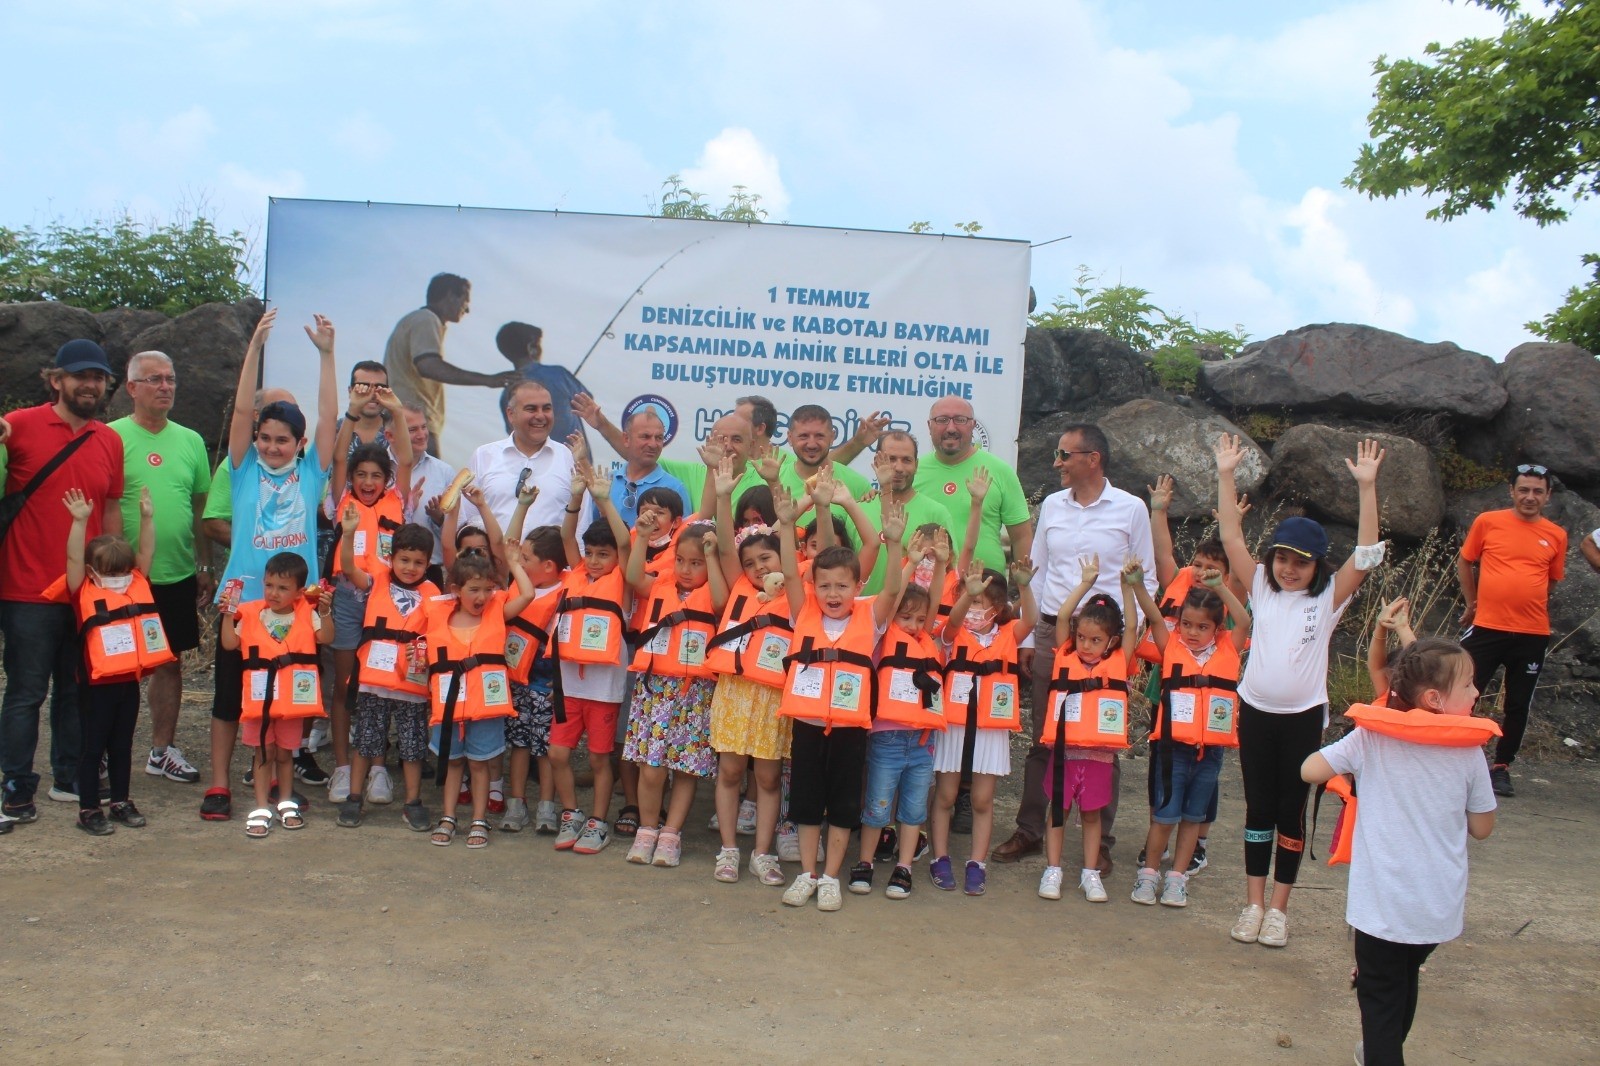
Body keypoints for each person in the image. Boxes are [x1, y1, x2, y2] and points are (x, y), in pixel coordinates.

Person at [1216, 433, 1385, 949]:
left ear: (1317, 566)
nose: (1290, 568)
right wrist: (1225, 475)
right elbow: (1230, 540)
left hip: (1304, 718)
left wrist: (1366, 487)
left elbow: (1367, 553)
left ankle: (1279, 910)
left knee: (1291, 811)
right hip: (1257, 713)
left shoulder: (1330, 596)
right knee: (1258, 809)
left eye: (1302, 561)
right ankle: (1252, 904)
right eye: (1283, 558)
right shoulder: (1263, 585)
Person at [1302, 639, 1497, 1066]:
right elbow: (1482, 827)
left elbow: (1311, 769)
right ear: (1435, 699)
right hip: (1435, 907)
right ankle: (1379, 1051)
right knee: (1404, 979)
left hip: (1382, 904)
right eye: (1470, 685)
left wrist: (1353, 769)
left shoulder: (1371, 739)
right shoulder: (1469, 752)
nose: (1477, 694)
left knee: (1381, 997)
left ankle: (1381, 1054)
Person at [993, 423, 1153, 871]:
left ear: (1093, 458)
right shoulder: (1052, 506)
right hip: (1053, 634)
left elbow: (1147, 576)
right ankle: (1030, 829)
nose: (1057, 463)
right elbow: (1039, 571)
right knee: (1046, 735)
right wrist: (1027, 638)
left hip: (1108, 641)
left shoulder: (1130, 508)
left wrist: (1130, 642)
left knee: (1102, 738)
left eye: (1064, 455)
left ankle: (1098, 842)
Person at [200, 309, 338, 823]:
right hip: (244, 602)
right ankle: (219, 784)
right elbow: (240, 414)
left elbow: (328, 418)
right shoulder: (240, 471)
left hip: (297, 605)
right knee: (228, 696)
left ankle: (281, 786)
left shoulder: (311, 475)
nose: (272, 446)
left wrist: (327, 355)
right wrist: (254, 350)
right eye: (266, 438)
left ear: (298, 444)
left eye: (283, 440)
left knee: (288, 694)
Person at [1, 338, 125, 825]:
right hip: (25, 587)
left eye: (97, 377)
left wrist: (117, 571)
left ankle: (69, 774)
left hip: (86, 590)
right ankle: (15, 782)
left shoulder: (109, 439)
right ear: (56, 380)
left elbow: (111, 505)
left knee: (78, 688)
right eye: (80, 376)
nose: (90, 385)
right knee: (26, 691)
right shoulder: (20, 427)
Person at [776, 489, 903, 912]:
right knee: (808, 804)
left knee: (845, 805)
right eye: (825, 585)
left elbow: (893, 584)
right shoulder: (803, 610)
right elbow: (792, 574)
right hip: (808, 728)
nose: (833, 593)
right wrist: (787, 520)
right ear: (814, 586)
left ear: (857, 586)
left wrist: (895, 542)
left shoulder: (870, 616)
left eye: (842, 586)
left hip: (850, 730)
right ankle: (808, 873)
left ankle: (831, 876)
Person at [111, 350, 214, 786]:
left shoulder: (190, 441)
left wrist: (205, 563)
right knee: (115, 666)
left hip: (175, 572)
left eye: (170, 379)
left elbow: (200, 508)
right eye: (154, 379)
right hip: (119, 576)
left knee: (169, 663)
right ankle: (103, 750)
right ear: (132, 387)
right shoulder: (110, 437)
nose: (165, 387)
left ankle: (162, 750)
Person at [1125, 561, 1252, 908]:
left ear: (1216, 628)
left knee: (1194, 817)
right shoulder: (1172, 647)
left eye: (1202, 627)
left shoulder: (1229, 647)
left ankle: (1177, 879)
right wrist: (1138, 586)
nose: (1193, 632)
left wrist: (1221, 587)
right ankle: (1149, 874)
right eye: (1187, 625)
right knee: (1165, 816)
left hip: (1209, 751)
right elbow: (1154, 618)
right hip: (1173, 749)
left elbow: (1243, 620)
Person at [705, 457, 794, 886]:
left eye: (767, 558)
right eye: (751, 562)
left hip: (774, 697)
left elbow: (791, 541)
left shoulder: (798, 590)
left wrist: (779, 488)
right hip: (735, 690)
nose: (760, 567)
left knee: (769, 777)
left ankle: (763, 852)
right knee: (730, 772)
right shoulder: (739, 584)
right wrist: (723, 497)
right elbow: (725, 546)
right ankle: (728, 850)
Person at [324, 388, 414, 805]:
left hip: (387, 602)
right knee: (345, 684)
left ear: (386, 480)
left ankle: (377, 768)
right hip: (347, 597)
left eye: (376, 475)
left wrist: (395, 411)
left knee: (378, 686)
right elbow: (340, 458)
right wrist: (351, 415)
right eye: (362, 475)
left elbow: (407, 459)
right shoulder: (344, 499)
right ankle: (343, 768)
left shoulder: (397, 499)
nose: (367, 482)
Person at [59, 486, 167, 835]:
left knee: (122, 746)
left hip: (127, 684)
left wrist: (148, 519)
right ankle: (88, 809)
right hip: (95, 688)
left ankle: (120, 801)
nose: (120, 579)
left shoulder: (134, 580)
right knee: (92, 750)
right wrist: (80, 522)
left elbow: (146, 551)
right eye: (111, 573)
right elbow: (74, 559)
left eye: (124, 571)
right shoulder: (83, 589)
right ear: (94, 572)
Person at [1457, 463, 1567, 797]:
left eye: (1537, 491)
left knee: (1518, 704)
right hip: (1487, 628)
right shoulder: (1488, 522)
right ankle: (1459, 757)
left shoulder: (1556, 535)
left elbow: (1550, 583)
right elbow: (1465, 561)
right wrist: (1471, 603)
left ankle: (1501, 767)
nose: (1529, 497)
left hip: (1532, 634)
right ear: (1511, 491)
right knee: (1462, 695)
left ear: (1547, 496)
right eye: (1523, 489)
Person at [928, 557, 1036, 896]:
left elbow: (1031, 618)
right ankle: (940, 857)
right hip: (956, 723)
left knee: (982, 798)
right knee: (945, 794)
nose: (973, 607)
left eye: (979, 602)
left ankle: (977, 863)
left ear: (998, 607)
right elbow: (949, 626)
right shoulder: (953, 632)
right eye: (968, 599)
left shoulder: (1008, 633)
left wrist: (1025, 584)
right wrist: (965, 596)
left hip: (991, 726)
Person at [621, 517, 724, 867]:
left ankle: (671, 835)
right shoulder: (661, 583)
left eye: (695, 563)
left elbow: (723, 601)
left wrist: (712, 557)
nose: (685, 569)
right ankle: (647, 830)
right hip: (655, 690)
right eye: (681, 560)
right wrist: (643, 538)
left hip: (695, 694)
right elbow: (634, 576)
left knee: (685, 768)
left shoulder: (715, 593)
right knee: (651, 767)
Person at [1036, 557, 1140, 903]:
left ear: (1109, 643)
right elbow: (1062, 617)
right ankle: (1053, 869)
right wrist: (1085, 583)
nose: (1085, 645)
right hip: (1065, 751)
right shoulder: (1066, 651)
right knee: (1058, 811)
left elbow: (1131, 628)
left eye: (1095, 640)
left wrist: (1126, 587)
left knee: (1093, 815)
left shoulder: (1119, 660)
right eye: (1082, 638)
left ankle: (1090, 873)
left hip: (1098, 756)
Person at [423, 536, 535, 849]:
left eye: (488, 589)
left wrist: (513, 563)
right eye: (474, 590)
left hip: (486, 705)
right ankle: (448, 816)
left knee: (479, 764)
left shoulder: (497, 610)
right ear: (455, 590)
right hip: (449, 706)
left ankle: (479, 818)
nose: (483, 596)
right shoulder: (437, 615)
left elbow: (527, 593)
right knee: (454, 762)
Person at [549, 463, 633, 855]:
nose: (596, 561)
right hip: (568, 683)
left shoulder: (626, 581)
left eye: (605, 554)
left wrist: (604, 499)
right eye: (592, 554)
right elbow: (567, 533)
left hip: (604, 687)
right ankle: (571, 812)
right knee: (558, 753)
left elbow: (627, 543)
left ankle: (599, 820)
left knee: (601, 757)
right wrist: (576, 496)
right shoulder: (577, 572)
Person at [335, 502, 435, 829]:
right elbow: (349, 567)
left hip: (413, 686)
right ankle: (354, 798)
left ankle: (412, 802)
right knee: (366, 742)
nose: (410, 567)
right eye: (404, 560)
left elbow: (440, 635)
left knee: (412, 747)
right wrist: (348, 534)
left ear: (428, 563)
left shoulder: (433, 594)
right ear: (391, 558)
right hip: (374, 682)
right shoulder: (376, 580)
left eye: (418, 563)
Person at [222, 552, 335, 838]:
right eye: (269, 585)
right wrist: (226, 614)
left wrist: (324, 611)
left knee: (286, 754)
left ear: (299, 591)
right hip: (259, 700)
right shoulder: (250, 613)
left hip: (292, 701)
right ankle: (261, 808)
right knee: (262, 753)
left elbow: (327, 638)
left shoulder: (307, 614)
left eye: (283, 588)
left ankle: (285, 803)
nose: (274, 593)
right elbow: (229, 644)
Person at [851, 565, 947, 901]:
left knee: (913, 811)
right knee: (877, 808)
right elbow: (890, 600)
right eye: (906, 618)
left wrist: (942, 568)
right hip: (887, 740)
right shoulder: (880, 641)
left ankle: (904, 866)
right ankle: (865, 862)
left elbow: (933, 604)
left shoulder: (928, 644)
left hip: (922, 743)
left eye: (920, 621)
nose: (913, 626)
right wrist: (910, 562)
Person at [382, 273, 519, 448]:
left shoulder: (416, 320)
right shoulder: (426, 319)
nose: (467, 309)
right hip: (411, 419)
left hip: (402, 418)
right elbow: (429, 366)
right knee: (428, 474)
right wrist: (488, 380)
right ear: (449, 295)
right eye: (465, 300)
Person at [912, 396, 1033, 573]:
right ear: (929, 426)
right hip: (923, 588)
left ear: (973, 425)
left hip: (985, 590)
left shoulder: (1000, 470)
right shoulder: (913, 471)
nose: (951, 428)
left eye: (960, 420)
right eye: (942, 420)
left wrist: (1024, 589)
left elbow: (1021, 536)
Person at [460, 381, 580, 538]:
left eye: (546, 408)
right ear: (511, 414)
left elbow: (581, 523)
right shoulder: (483, 456)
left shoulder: (568, 457)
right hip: (495, 560)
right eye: (531, 409)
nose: (540, 416)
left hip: (553, 562)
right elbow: (466, 520)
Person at [860, 430, 949, 594]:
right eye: (891, 459)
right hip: (860, 615)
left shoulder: (937, 513)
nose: (898, 467)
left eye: (906, 460)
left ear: (916, 464)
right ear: (877, 461)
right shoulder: (859, 509)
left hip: (911, 617)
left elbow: (948, 574)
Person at [390, 402, 457, 588]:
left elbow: (459, 532)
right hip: (384, 570)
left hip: (431, 571)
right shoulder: (376, 470)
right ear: (390, 436)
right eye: (412, 429)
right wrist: (403, 507)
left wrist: (439, 519)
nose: (422, 435)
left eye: (424, 427)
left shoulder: (444, 472)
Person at [496, 321, 592, 450]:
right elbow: (587, 402)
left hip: (535, 465)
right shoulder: (558, 374)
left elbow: (512, 433)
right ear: (532, 348)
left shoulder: (506, 394)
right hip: (575, 463)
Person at [606, 407, 689, 527]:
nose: (653, 444)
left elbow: (683, 540)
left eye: (659, 438)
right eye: (645, 436)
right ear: (626, 439)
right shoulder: (607, 481)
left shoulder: (675, 488)